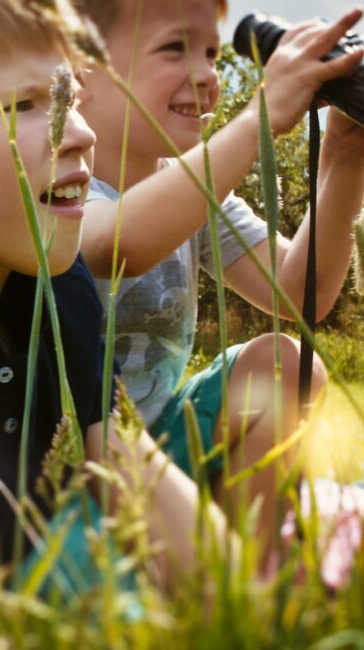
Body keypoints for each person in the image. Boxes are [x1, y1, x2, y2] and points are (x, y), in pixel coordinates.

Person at [0, 0, 230, 631]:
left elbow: (128, 466)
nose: (80, 132)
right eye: (21, 105)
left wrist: (248, 604)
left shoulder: (48, 270)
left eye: (70, 98)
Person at [76, 0, 364, 538]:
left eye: (211, 52)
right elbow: (116, 244)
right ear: (80, 69)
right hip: (72, 458)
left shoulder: (199, 191)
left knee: (284, 363)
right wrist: (260, 117)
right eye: (174, 48)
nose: (208, 74)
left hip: (164, 438)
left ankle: (244, 564)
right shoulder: (59, 185)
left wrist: (345, 158)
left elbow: (298, 295)